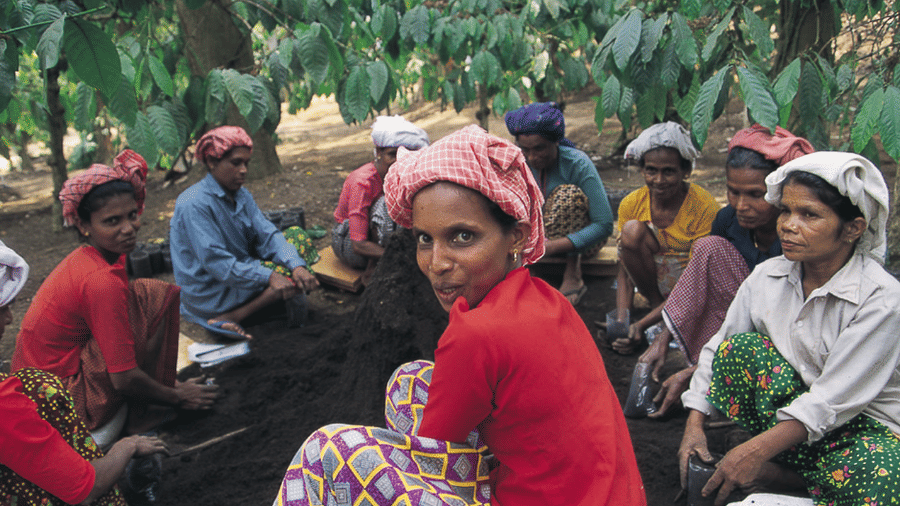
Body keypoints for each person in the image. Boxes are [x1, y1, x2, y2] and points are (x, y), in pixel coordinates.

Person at [272, 126, 645, 506]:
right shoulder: (550, 300)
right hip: (614, 494)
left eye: (462, 237)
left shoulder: (476, 332)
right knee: (410, 380)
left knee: (328, 449)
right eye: (425, 239)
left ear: (516, 236)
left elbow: (436, 448)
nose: (437, 263)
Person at [678, 152, 900, 505]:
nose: (788, 225)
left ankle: (787, 475)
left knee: (883, 474)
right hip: (797, 427)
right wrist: (694, 423)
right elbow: (719, 346)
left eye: (808, 215)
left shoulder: (881, 299)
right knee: (739, 351)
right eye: (785, 210)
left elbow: (831, 401)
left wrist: (754, 450)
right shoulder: (768, 276)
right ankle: (797, 472)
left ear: (853, 228)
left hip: (861, 430)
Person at [11, 150, 218, 437]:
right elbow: (122, 379)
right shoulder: (99, 280)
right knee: (152, 298)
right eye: (112, 221)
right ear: (83, 226)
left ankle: (148, 400)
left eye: (132, 216)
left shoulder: (95, 257)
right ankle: (142, 416)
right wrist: (177, 396)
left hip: (42, 385)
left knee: (141, 298)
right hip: (59, 401)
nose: (128, 228)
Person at [637, 125, 814, 417]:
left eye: (756, 195)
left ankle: (734, 388)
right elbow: (697, 285)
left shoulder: (795, 237)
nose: (741, 205)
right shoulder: (728, 220)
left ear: (781, 193)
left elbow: (783, 318)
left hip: (785, 335)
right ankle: (719, 378)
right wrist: (661, 338)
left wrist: (697, 373)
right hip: (737, 320)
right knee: (709, 249)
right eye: (733, 192)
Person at [0, 240, 169, 506]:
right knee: (152, 297)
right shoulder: (100, 279)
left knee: (36, 384)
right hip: (80, 452)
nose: (10, 318)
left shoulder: (85, 270)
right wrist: (127, 447)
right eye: (3, 309)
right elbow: (86, 489)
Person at [170, 126, 319, 339]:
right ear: (212, 162)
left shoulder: (240, 195)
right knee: (283, 274)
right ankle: (232, 315)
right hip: (212, 289)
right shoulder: (193, 204)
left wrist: (295, 265)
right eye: (235, 163)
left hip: (237, 269)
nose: (243, 170)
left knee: (297, 238)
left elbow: (267, 234)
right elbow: (217, 263)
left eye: (246, 163)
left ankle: (275, 294)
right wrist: (270, 275)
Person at [613, 121, 720, 354]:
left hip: (692, 285)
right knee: (631, 231)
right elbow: (624, 267)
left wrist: (640, 324)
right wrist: (622, 321)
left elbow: (696, 281)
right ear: (642, 170)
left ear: (686, 171)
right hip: (654, 283)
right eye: (651, 170)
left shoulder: (703, 207)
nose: (659, 180)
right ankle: (655, 307)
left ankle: (662, 317)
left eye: (669, 171)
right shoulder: (632, 203)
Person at [504, 102, 614, 305]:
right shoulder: (519, 163)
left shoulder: (577, 164)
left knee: (567, 195)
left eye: (539, 148)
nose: (532, 157)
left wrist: (551, 247)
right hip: (537, 237)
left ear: (555, 142)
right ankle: (528, 270)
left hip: (582, 238)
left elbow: (604, 224)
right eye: (525, 149)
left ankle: (573, 273)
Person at [332, 115, 429, 280]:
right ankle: (376, 268)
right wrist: (404, 259)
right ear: (378, 152)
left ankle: (382, 264)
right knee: (385, 204)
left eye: (404, 155)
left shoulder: (403, 176)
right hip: (350, 244)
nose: (399, 161)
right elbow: (358, 244)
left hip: (375, 244)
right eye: (392, 154)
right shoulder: (361, 182)